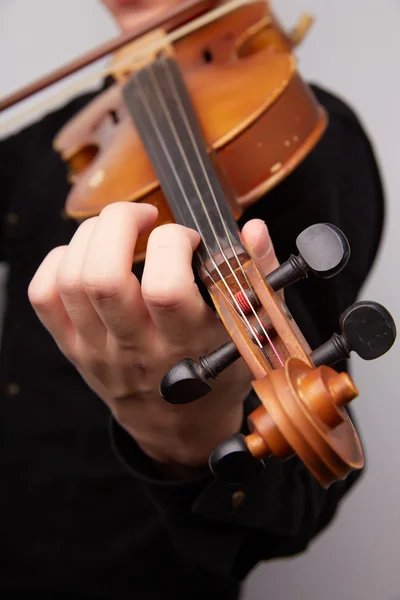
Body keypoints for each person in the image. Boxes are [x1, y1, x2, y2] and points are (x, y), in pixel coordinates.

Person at [0, 1, 385, 598]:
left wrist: (187, 441)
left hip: (126, 573)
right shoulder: (60, 137)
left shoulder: (298, 123)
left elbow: (296, 501)